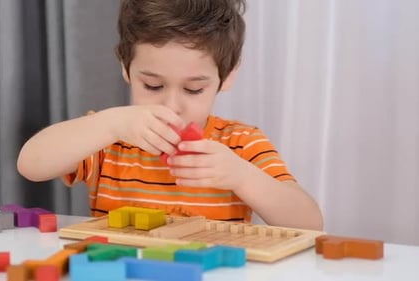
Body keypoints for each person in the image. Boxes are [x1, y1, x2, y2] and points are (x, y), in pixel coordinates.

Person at [17, 0, 323, 230]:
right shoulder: (109, 139)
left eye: (193, 90)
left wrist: (241, 176)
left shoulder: (240, 144)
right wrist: (109, 123)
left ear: (227, 76)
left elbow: (309, 225)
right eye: (152, 85)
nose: (171, 105)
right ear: (126, 68)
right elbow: (31, 164)